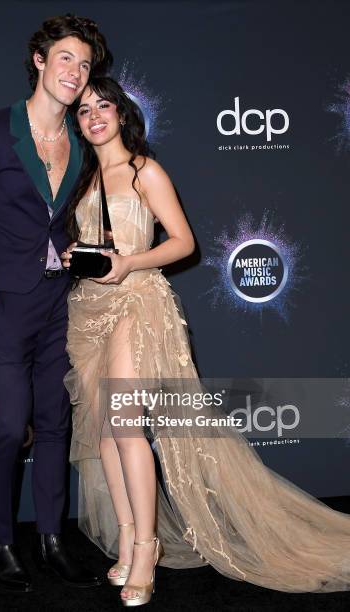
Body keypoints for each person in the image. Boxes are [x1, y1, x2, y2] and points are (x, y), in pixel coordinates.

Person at [60, 76, 350, 606]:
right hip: (89, 310)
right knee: (104, 436)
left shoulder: (145, 169)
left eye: (103, 106)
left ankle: (148, 550)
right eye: (83, 110)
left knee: (126, 426)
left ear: (122, 114)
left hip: (138, 302)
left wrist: (128, 262)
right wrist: (72, 258)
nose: (94, 115)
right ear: (76, 123)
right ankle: (127, 540)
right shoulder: (81, 181)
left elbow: (184, 242)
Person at [0, 15, 112, 591]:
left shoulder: (83, 145)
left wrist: (83, 256)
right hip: (7, 305)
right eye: (66, 58)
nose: (77, 72)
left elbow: (78, 220)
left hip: (59, 303)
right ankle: (2, 542)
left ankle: (51, 539)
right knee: (11, 428)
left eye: (85, 64)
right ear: (39, 60)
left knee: (55, 424)